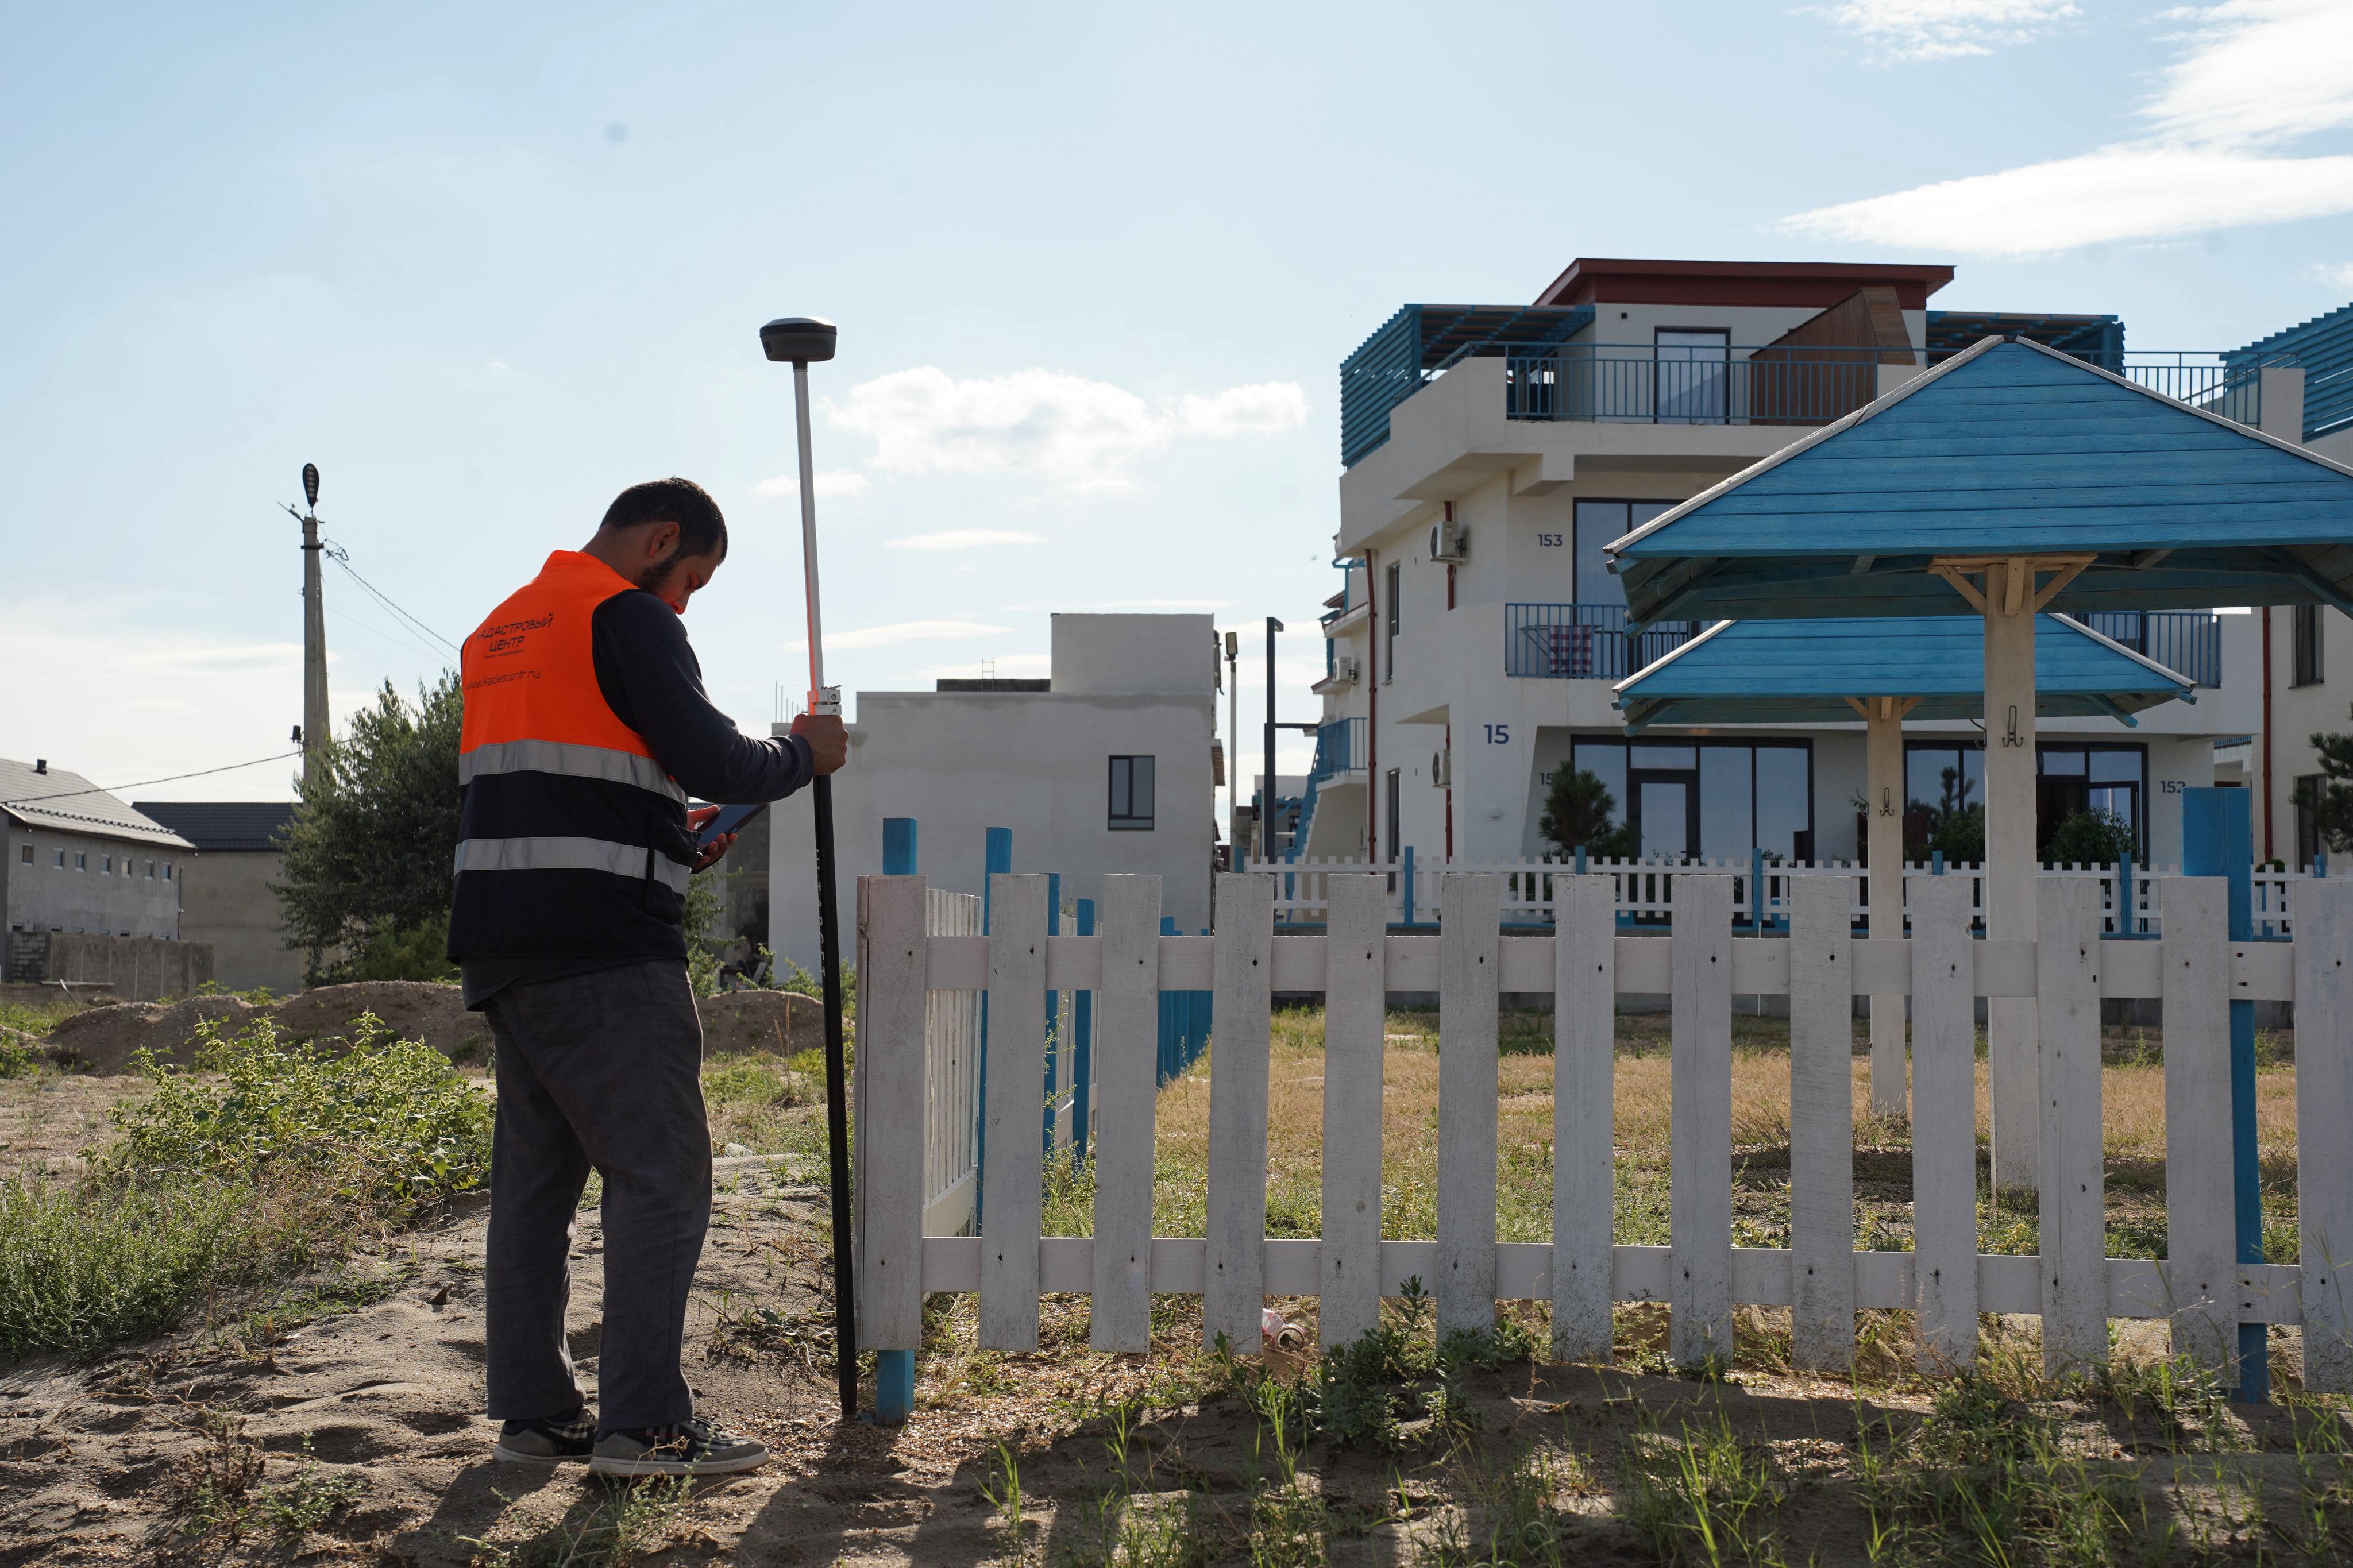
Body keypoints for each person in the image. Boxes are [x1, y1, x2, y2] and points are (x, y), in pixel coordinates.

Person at [448, 477, 848, 1478]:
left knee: (535, 1191)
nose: (684, 604)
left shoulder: (501, 629)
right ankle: (645, 1426)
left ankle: (536, 1415)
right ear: (661, 540)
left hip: (508, 948)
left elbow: (575, 779)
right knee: (662, 1174)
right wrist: (806, 751)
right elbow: (719, 756)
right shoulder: (625, 615)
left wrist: (670, 837)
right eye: (693, 581)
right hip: (606, 952)